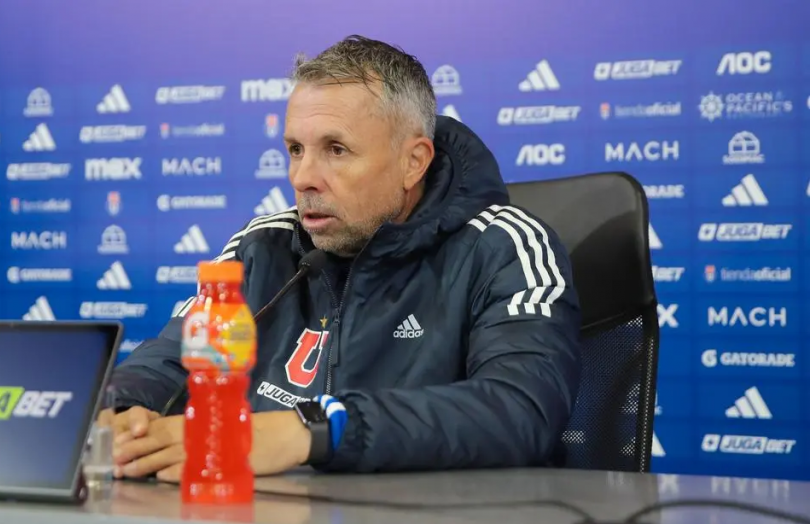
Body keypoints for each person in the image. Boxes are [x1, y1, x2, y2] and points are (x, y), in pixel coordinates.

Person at [102, 35, 582, 481]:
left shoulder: (503, 246)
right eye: (295, 149)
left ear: (413, 161)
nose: (303, 177)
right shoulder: (263, 247)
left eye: (336, 149)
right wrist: (122, 413)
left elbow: (522, 409)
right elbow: (169, 363)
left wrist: (311, 430)